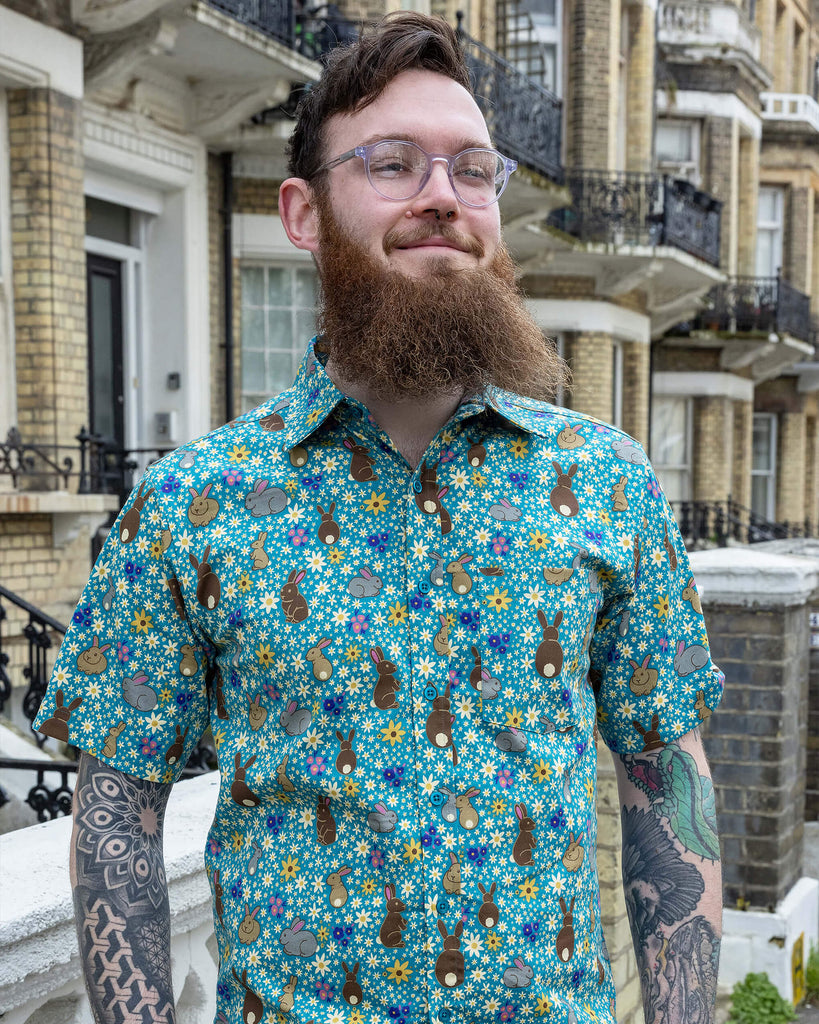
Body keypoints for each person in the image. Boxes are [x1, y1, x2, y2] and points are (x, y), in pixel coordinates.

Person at [35, 13, 724, 1024]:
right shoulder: (193, 503)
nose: (442, 197)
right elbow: (117, 813)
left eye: (474, 170)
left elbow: (668, 780)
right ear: (304, 213)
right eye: (393, 164)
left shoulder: (606, 484)